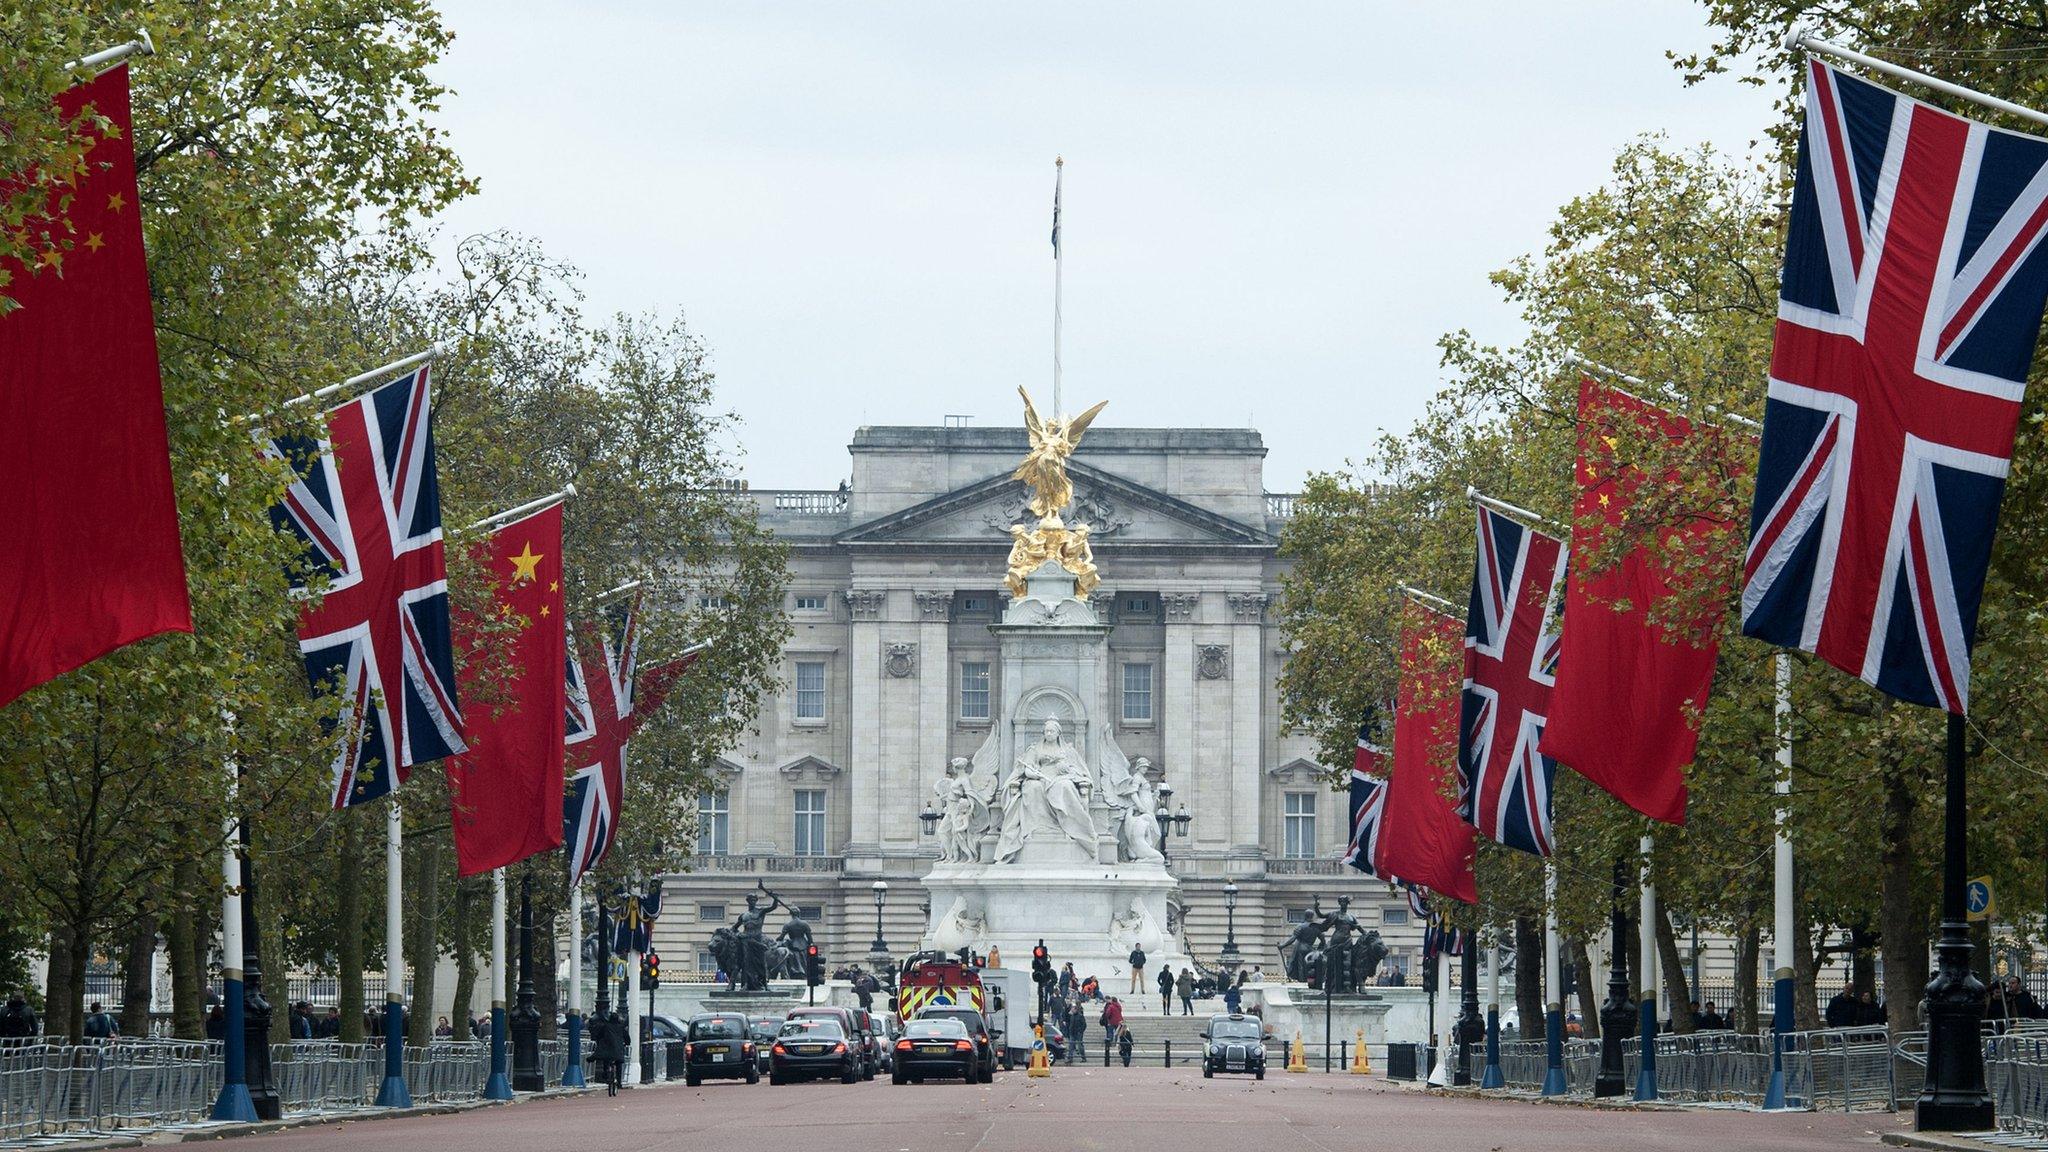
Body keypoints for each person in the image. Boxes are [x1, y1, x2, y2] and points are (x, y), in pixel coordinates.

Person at [591, 1008, 627, 1096]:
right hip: (618, 1050)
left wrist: (599, 1041)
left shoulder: (606, 1026)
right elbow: (627, 1038)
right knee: (618, 1064)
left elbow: (599, 1035)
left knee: (606, 1059)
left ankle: (606, 1073)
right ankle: (619, 1082)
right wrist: (626, 1043)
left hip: (608, 1049)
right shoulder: (621, 1027)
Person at [1066, 996, 1086, 1061]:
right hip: (1072, 1033)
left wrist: (1080, 1031)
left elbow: (1084, 1025)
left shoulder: (1080, 1016)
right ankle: (1070, 1058)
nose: (1072, 1010)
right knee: (1071, 1046)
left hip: (1078, 1033)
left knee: (1080, 1046)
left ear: (1076, 1010)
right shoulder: (1072, 1016)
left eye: (1073, 1009)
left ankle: (1083, 1058)